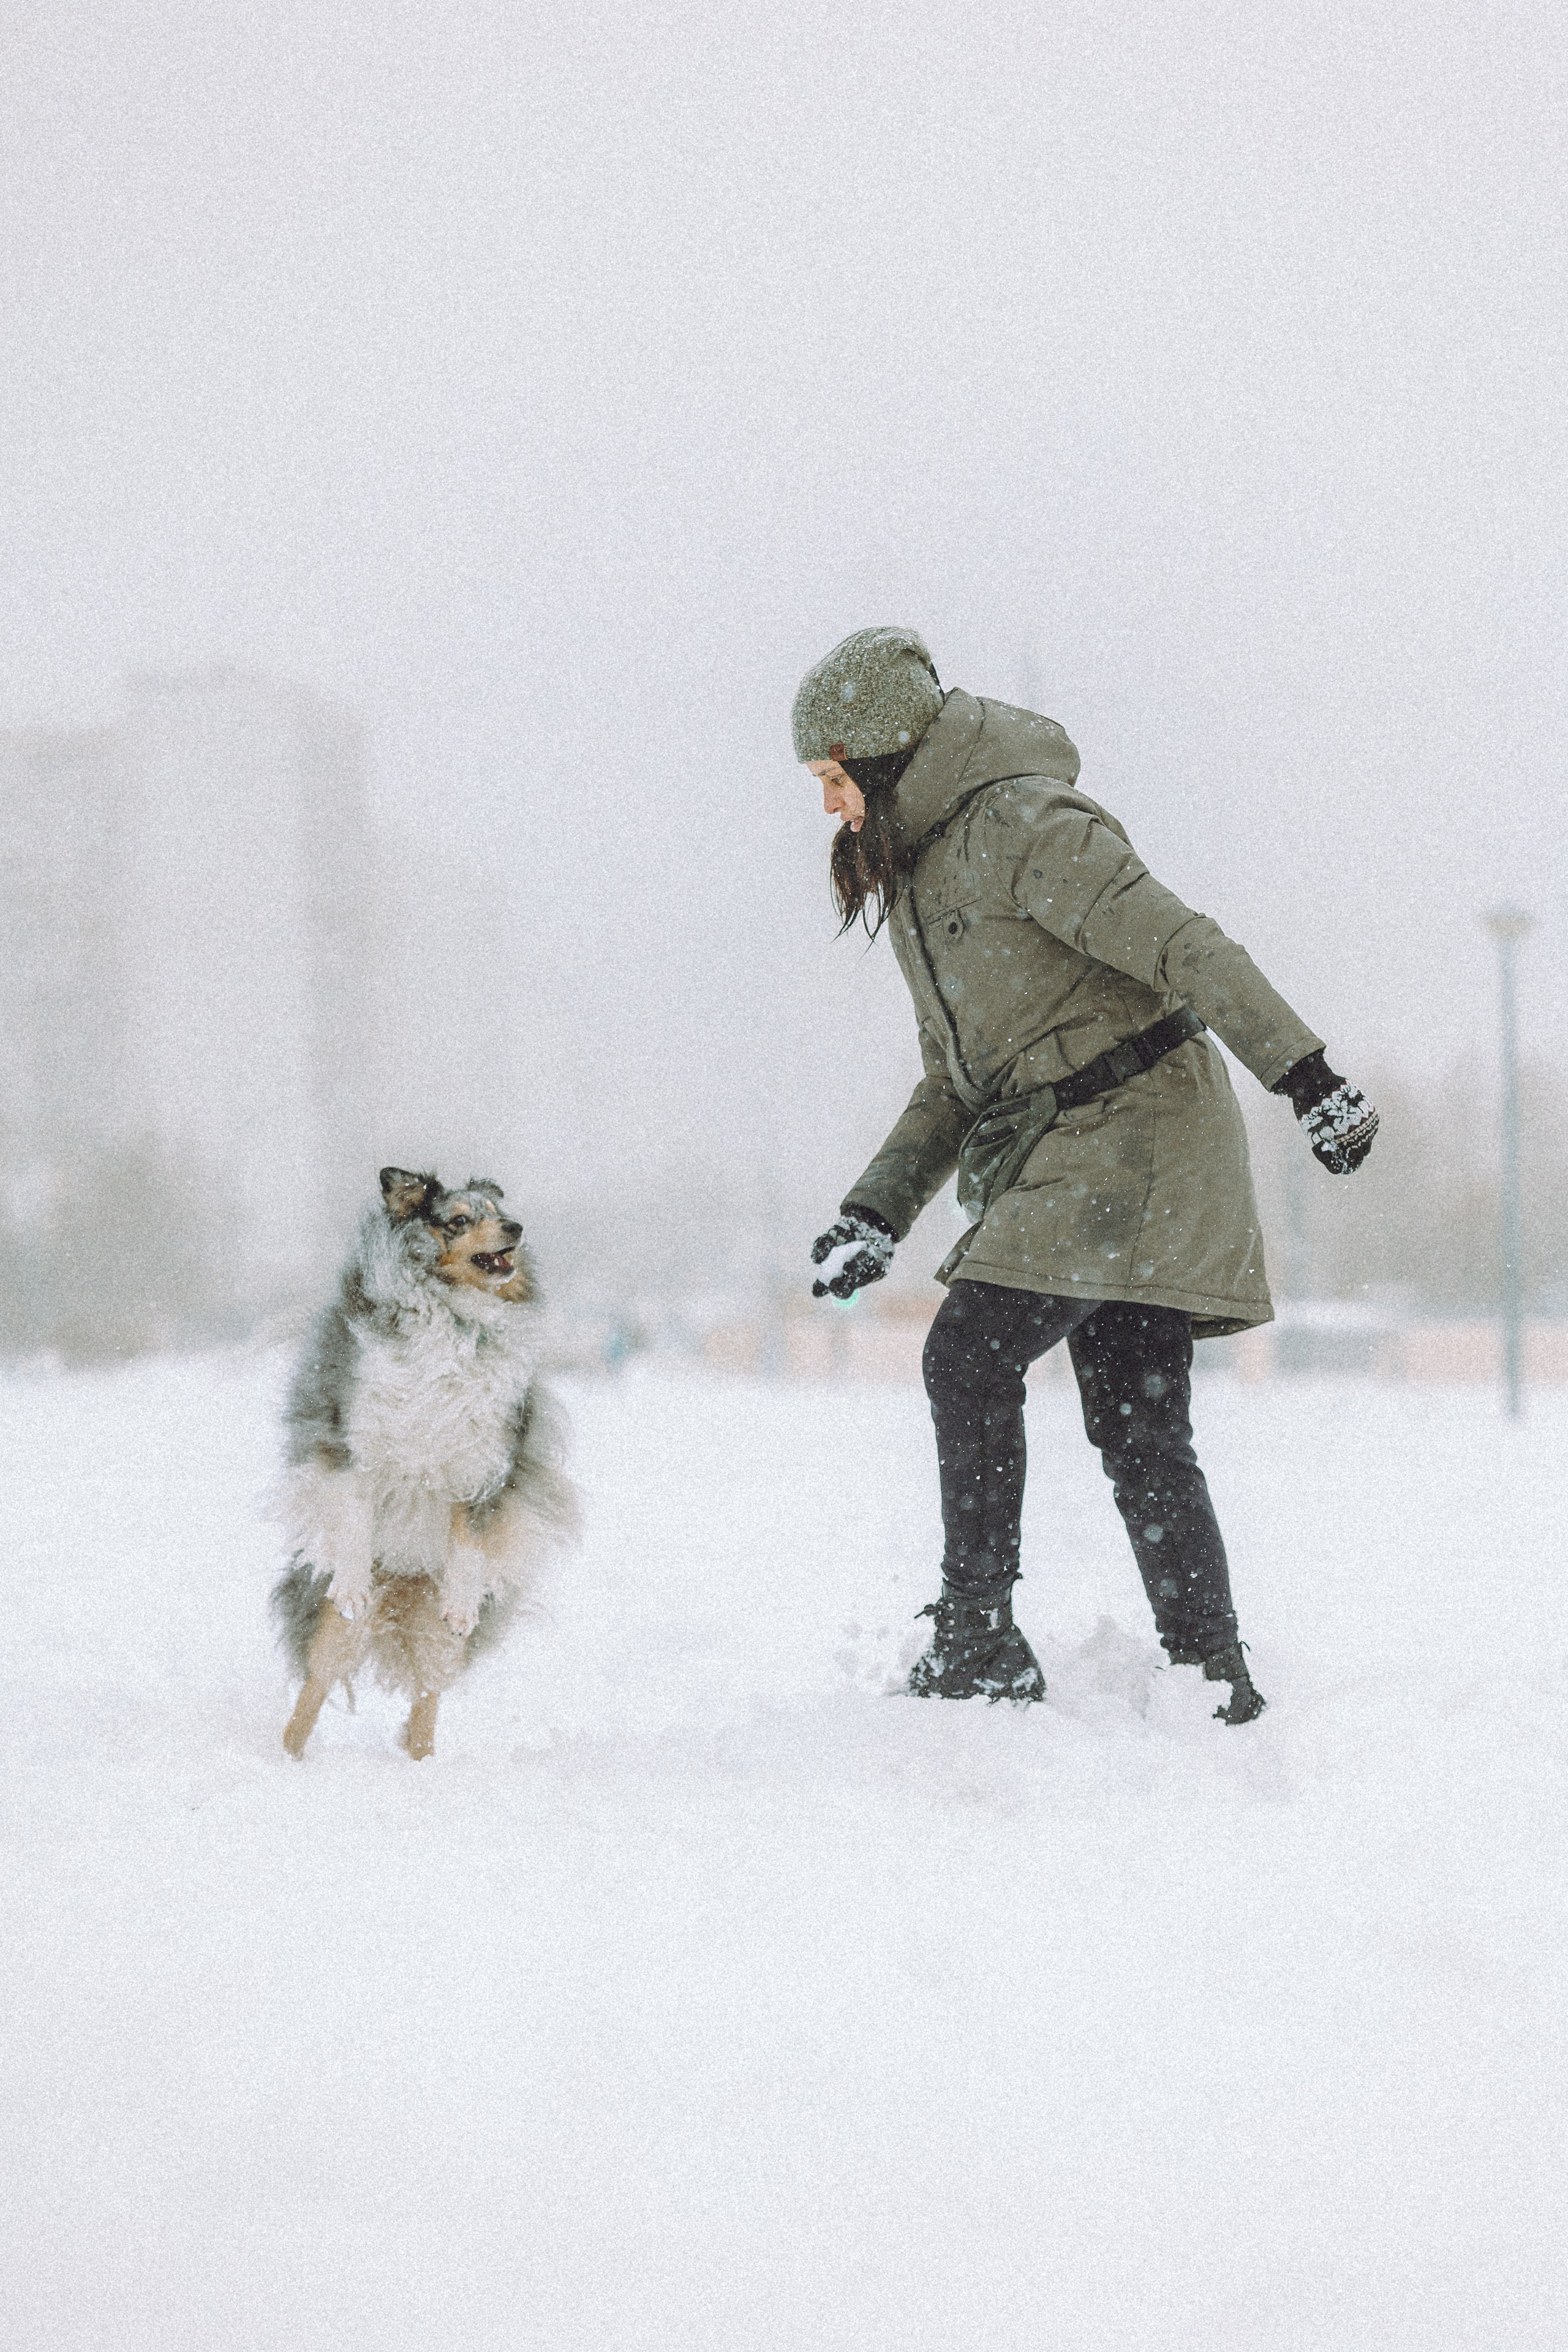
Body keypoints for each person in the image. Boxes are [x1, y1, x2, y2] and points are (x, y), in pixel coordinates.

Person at [794, 627, 1377, 1722]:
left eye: (833, 780)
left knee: (969, 1358)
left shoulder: (1024, 826)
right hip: (1077, 1145)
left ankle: (978, 1640)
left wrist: (1308, 1078)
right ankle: (1213, 1681)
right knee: (1139, 1420)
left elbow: (1184, 946)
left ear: (880, 758)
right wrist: (874, 1212)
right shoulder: (923, 882)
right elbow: (954, 1084)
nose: (829, 808)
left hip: (1139, 1131)